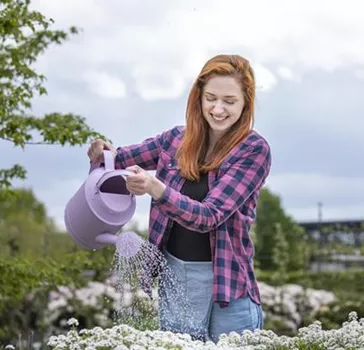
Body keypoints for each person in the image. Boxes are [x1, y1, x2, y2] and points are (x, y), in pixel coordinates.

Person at [87, 54, 272, 343]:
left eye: (229, 101)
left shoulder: (253, 150)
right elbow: (117, 159)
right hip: (178, 278)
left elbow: (209, 216)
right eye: (211, 98)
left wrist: (155, 188)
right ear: (198, 97)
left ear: (246, 102)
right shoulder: (174, 141)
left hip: (229, 282)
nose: (218, 108)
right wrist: (102, 150)